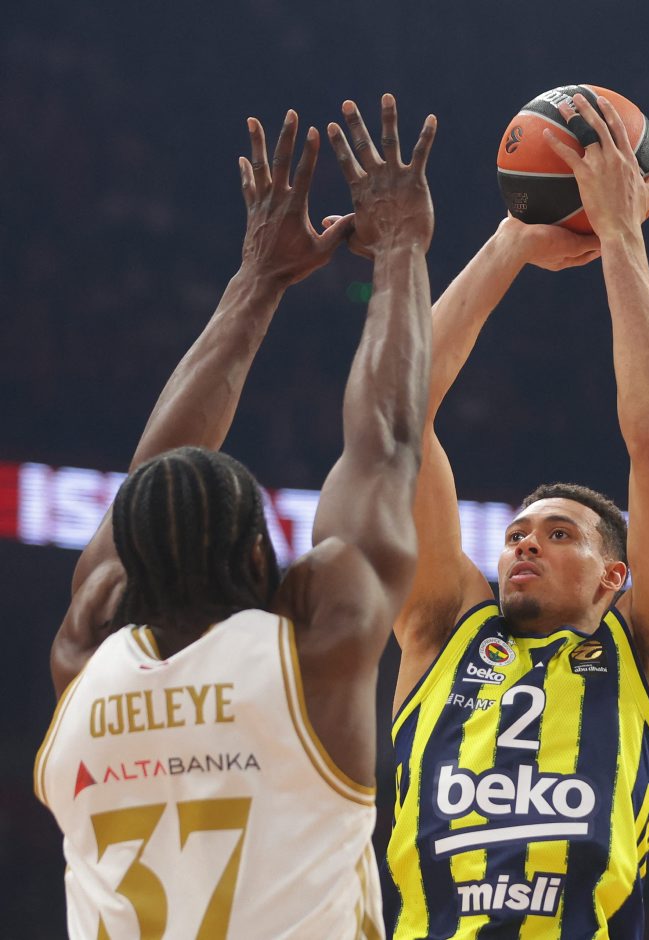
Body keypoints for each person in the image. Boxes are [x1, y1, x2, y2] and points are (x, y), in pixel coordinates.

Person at [34, 94, 437, 940]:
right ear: (261, 558)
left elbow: (150, 493)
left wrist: (256, 281)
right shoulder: (315, 657)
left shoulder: (84, 659)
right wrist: (399, 245)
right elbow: (390, 444)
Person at [380, 93, 649, 938]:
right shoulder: (441, 628)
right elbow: (396, 417)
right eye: (517, 535)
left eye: (560, 535)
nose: (525, 544)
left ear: (614, 578)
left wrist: (622, 237)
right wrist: (511, 243)